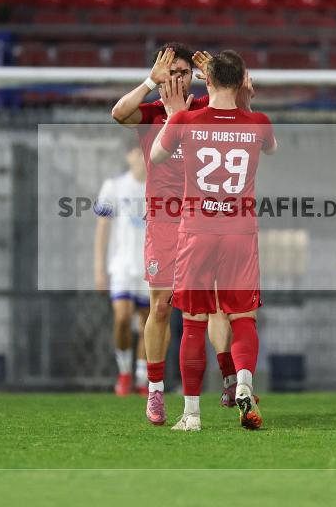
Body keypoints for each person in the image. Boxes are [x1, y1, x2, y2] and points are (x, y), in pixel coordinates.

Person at [111, 43, 237, 425]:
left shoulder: (205, 109)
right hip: (164, 224)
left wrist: (216, 76)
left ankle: (229, 375)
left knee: (214, 304)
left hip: (202, 218)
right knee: (161, 305)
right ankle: (154, 392)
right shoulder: (150, 115)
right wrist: (151, 80)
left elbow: (241, 102)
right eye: (171, 72)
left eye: (184, 72)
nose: (178, 78)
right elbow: (118, 113)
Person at [151, 50, 275, 431]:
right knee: (243, 317)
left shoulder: (187, 119)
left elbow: (157, 157)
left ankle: (190, 414)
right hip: (239, 231)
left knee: (193, 323)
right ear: (242, 82)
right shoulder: (258, 122)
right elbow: (271, 148)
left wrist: (173, 117)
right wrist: (247, 102)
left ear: (207, 81)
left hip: (197, 232)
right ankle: (242, 383)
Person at [94, 141, 150, 395]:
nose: (142, 157)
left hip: (151, 265)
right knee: (122, 317)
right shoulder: (114, 187)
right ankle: (124, 369)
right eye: (138, 152)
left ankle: (141, 377)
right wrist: (99, 268)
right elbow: (102, 229)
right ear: (129, 156)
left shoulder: (161, 187)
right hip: (122, 265)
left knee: (148, 321)